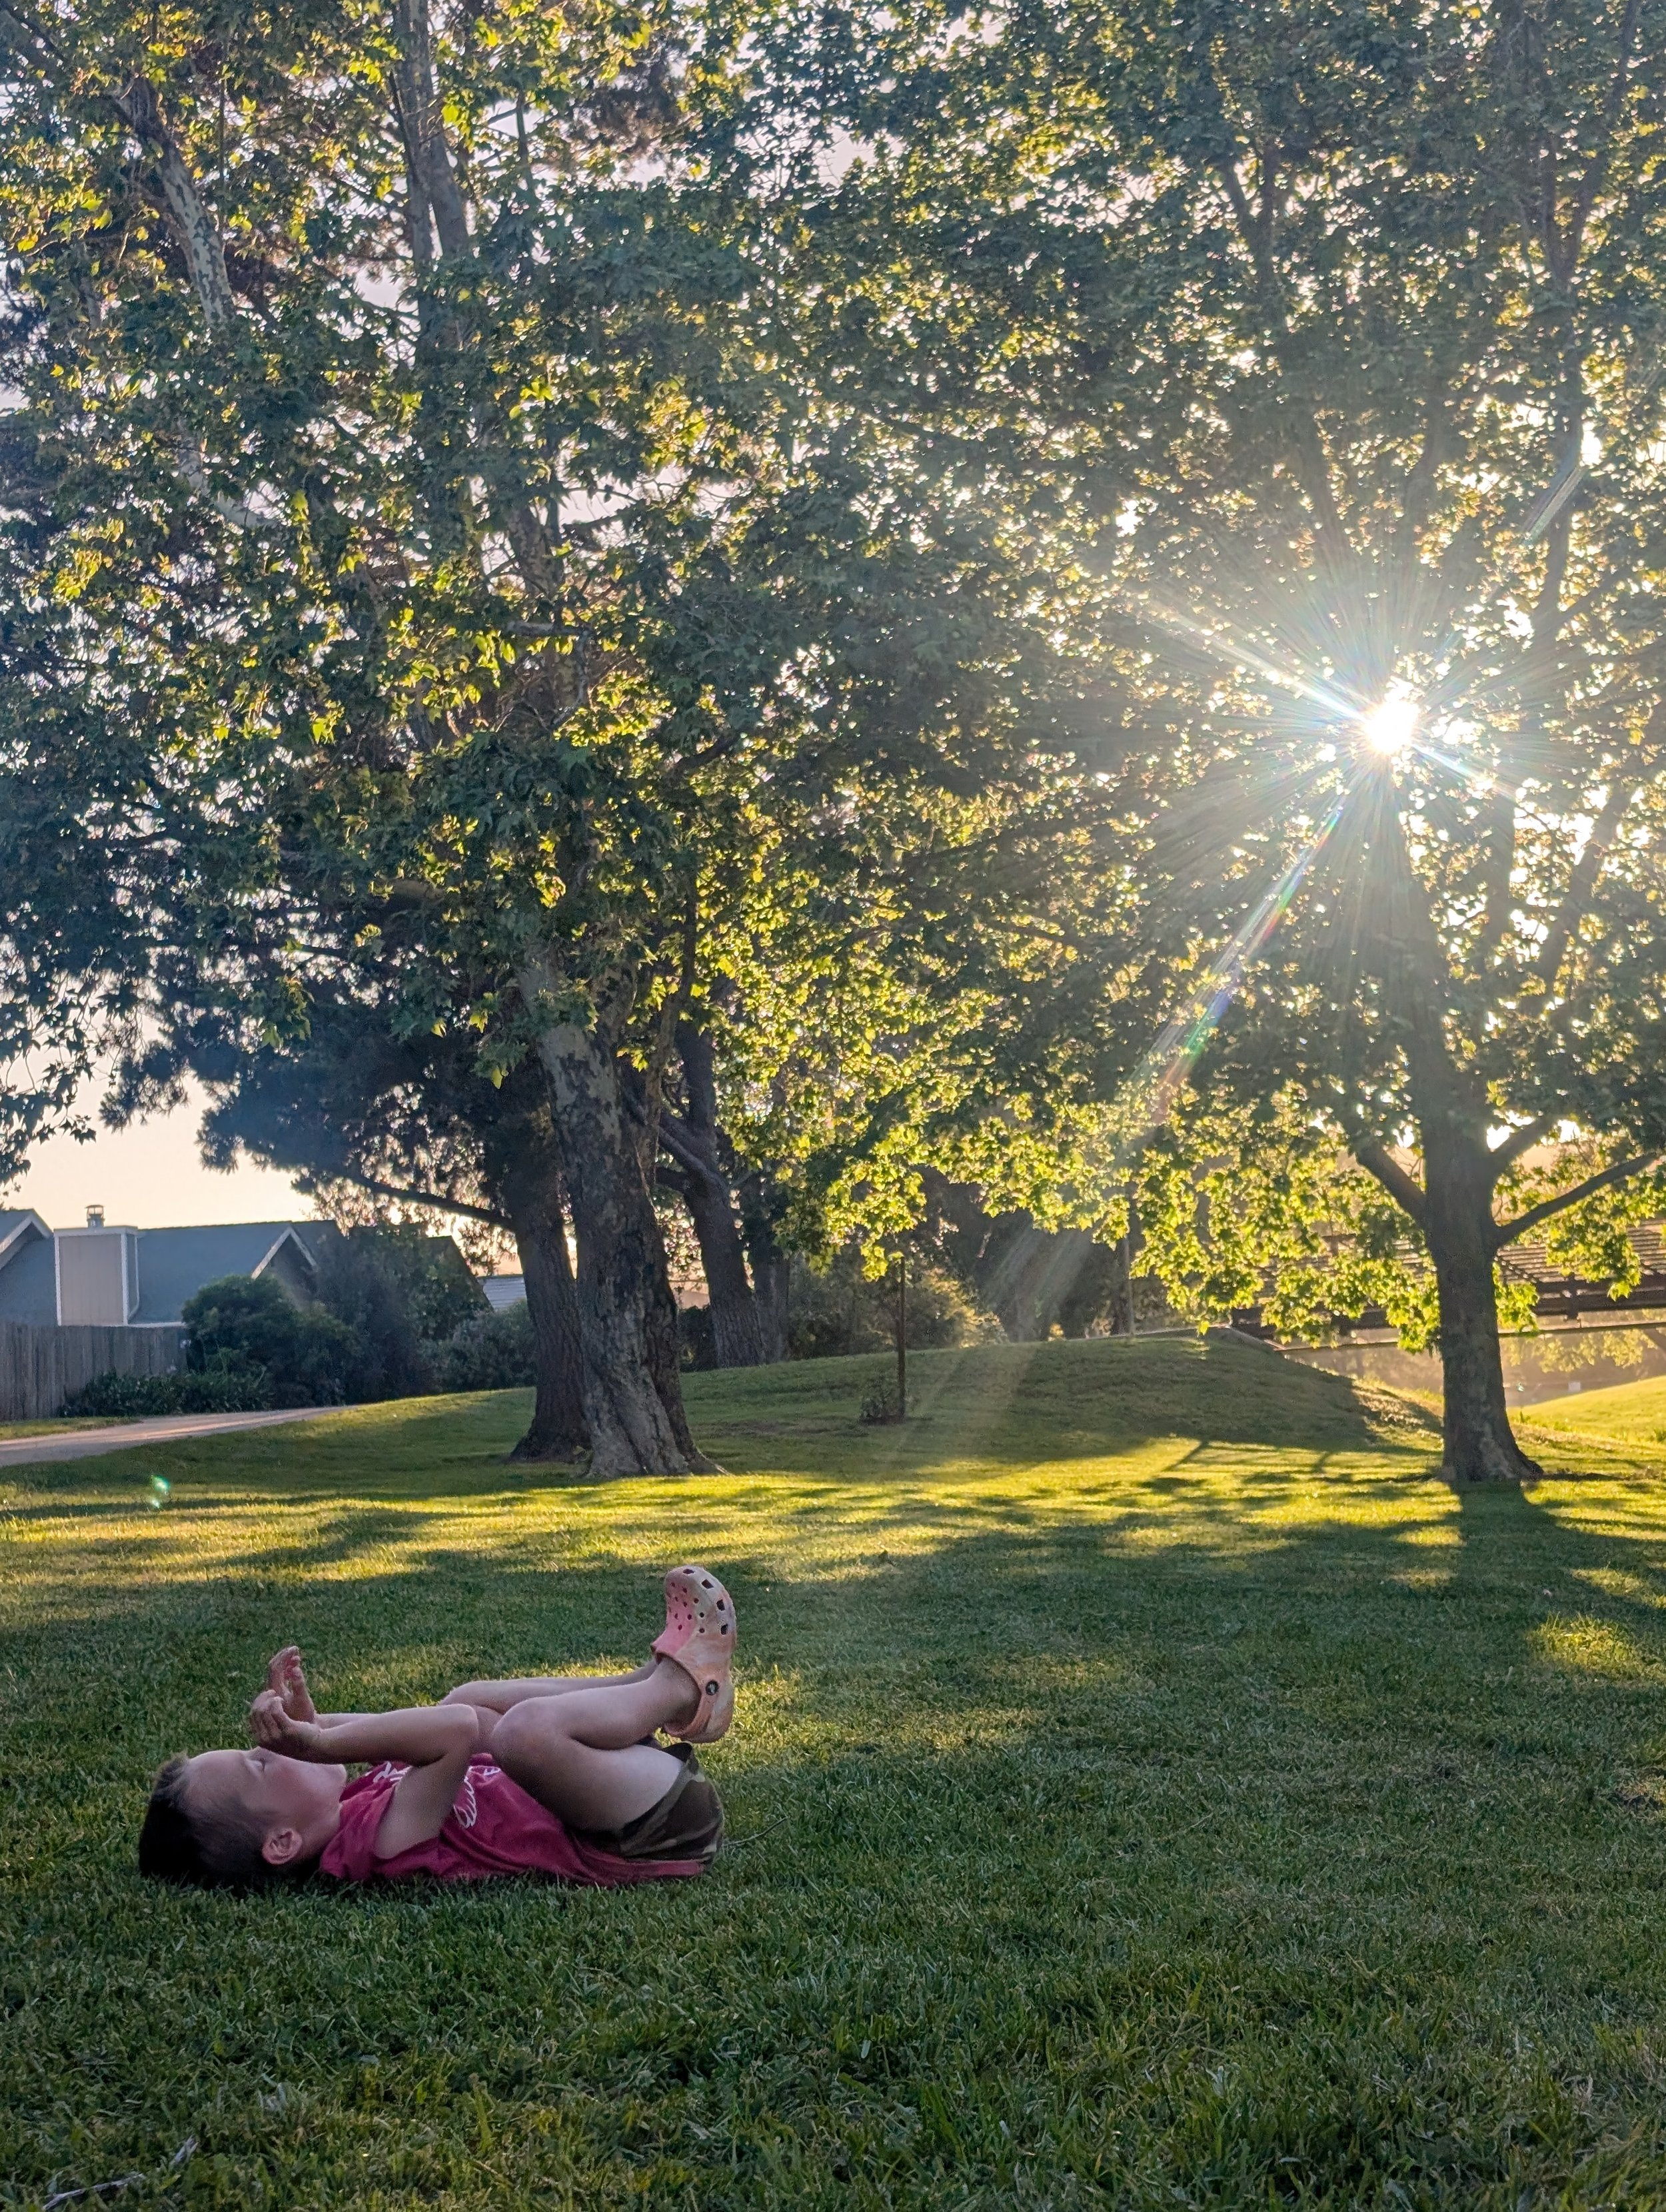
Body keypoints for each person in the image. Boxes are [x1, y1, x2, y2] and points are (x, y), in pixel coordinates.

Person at [138, 1564, 736, 1890]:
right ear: (282, 1843)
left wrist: (317, 1724)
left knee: (470, 1697)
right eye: (261, 1762)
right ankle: (678, 1688)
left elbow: (435, 1722)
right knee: (515, 1735)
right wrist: (319, 1743)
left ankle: (656, 1689)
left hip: (622, 1789)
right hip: (647, 1832)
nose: (273, 1748)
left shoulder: (350, 1806)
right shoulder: (381, 1849)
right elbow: (450, 1733)